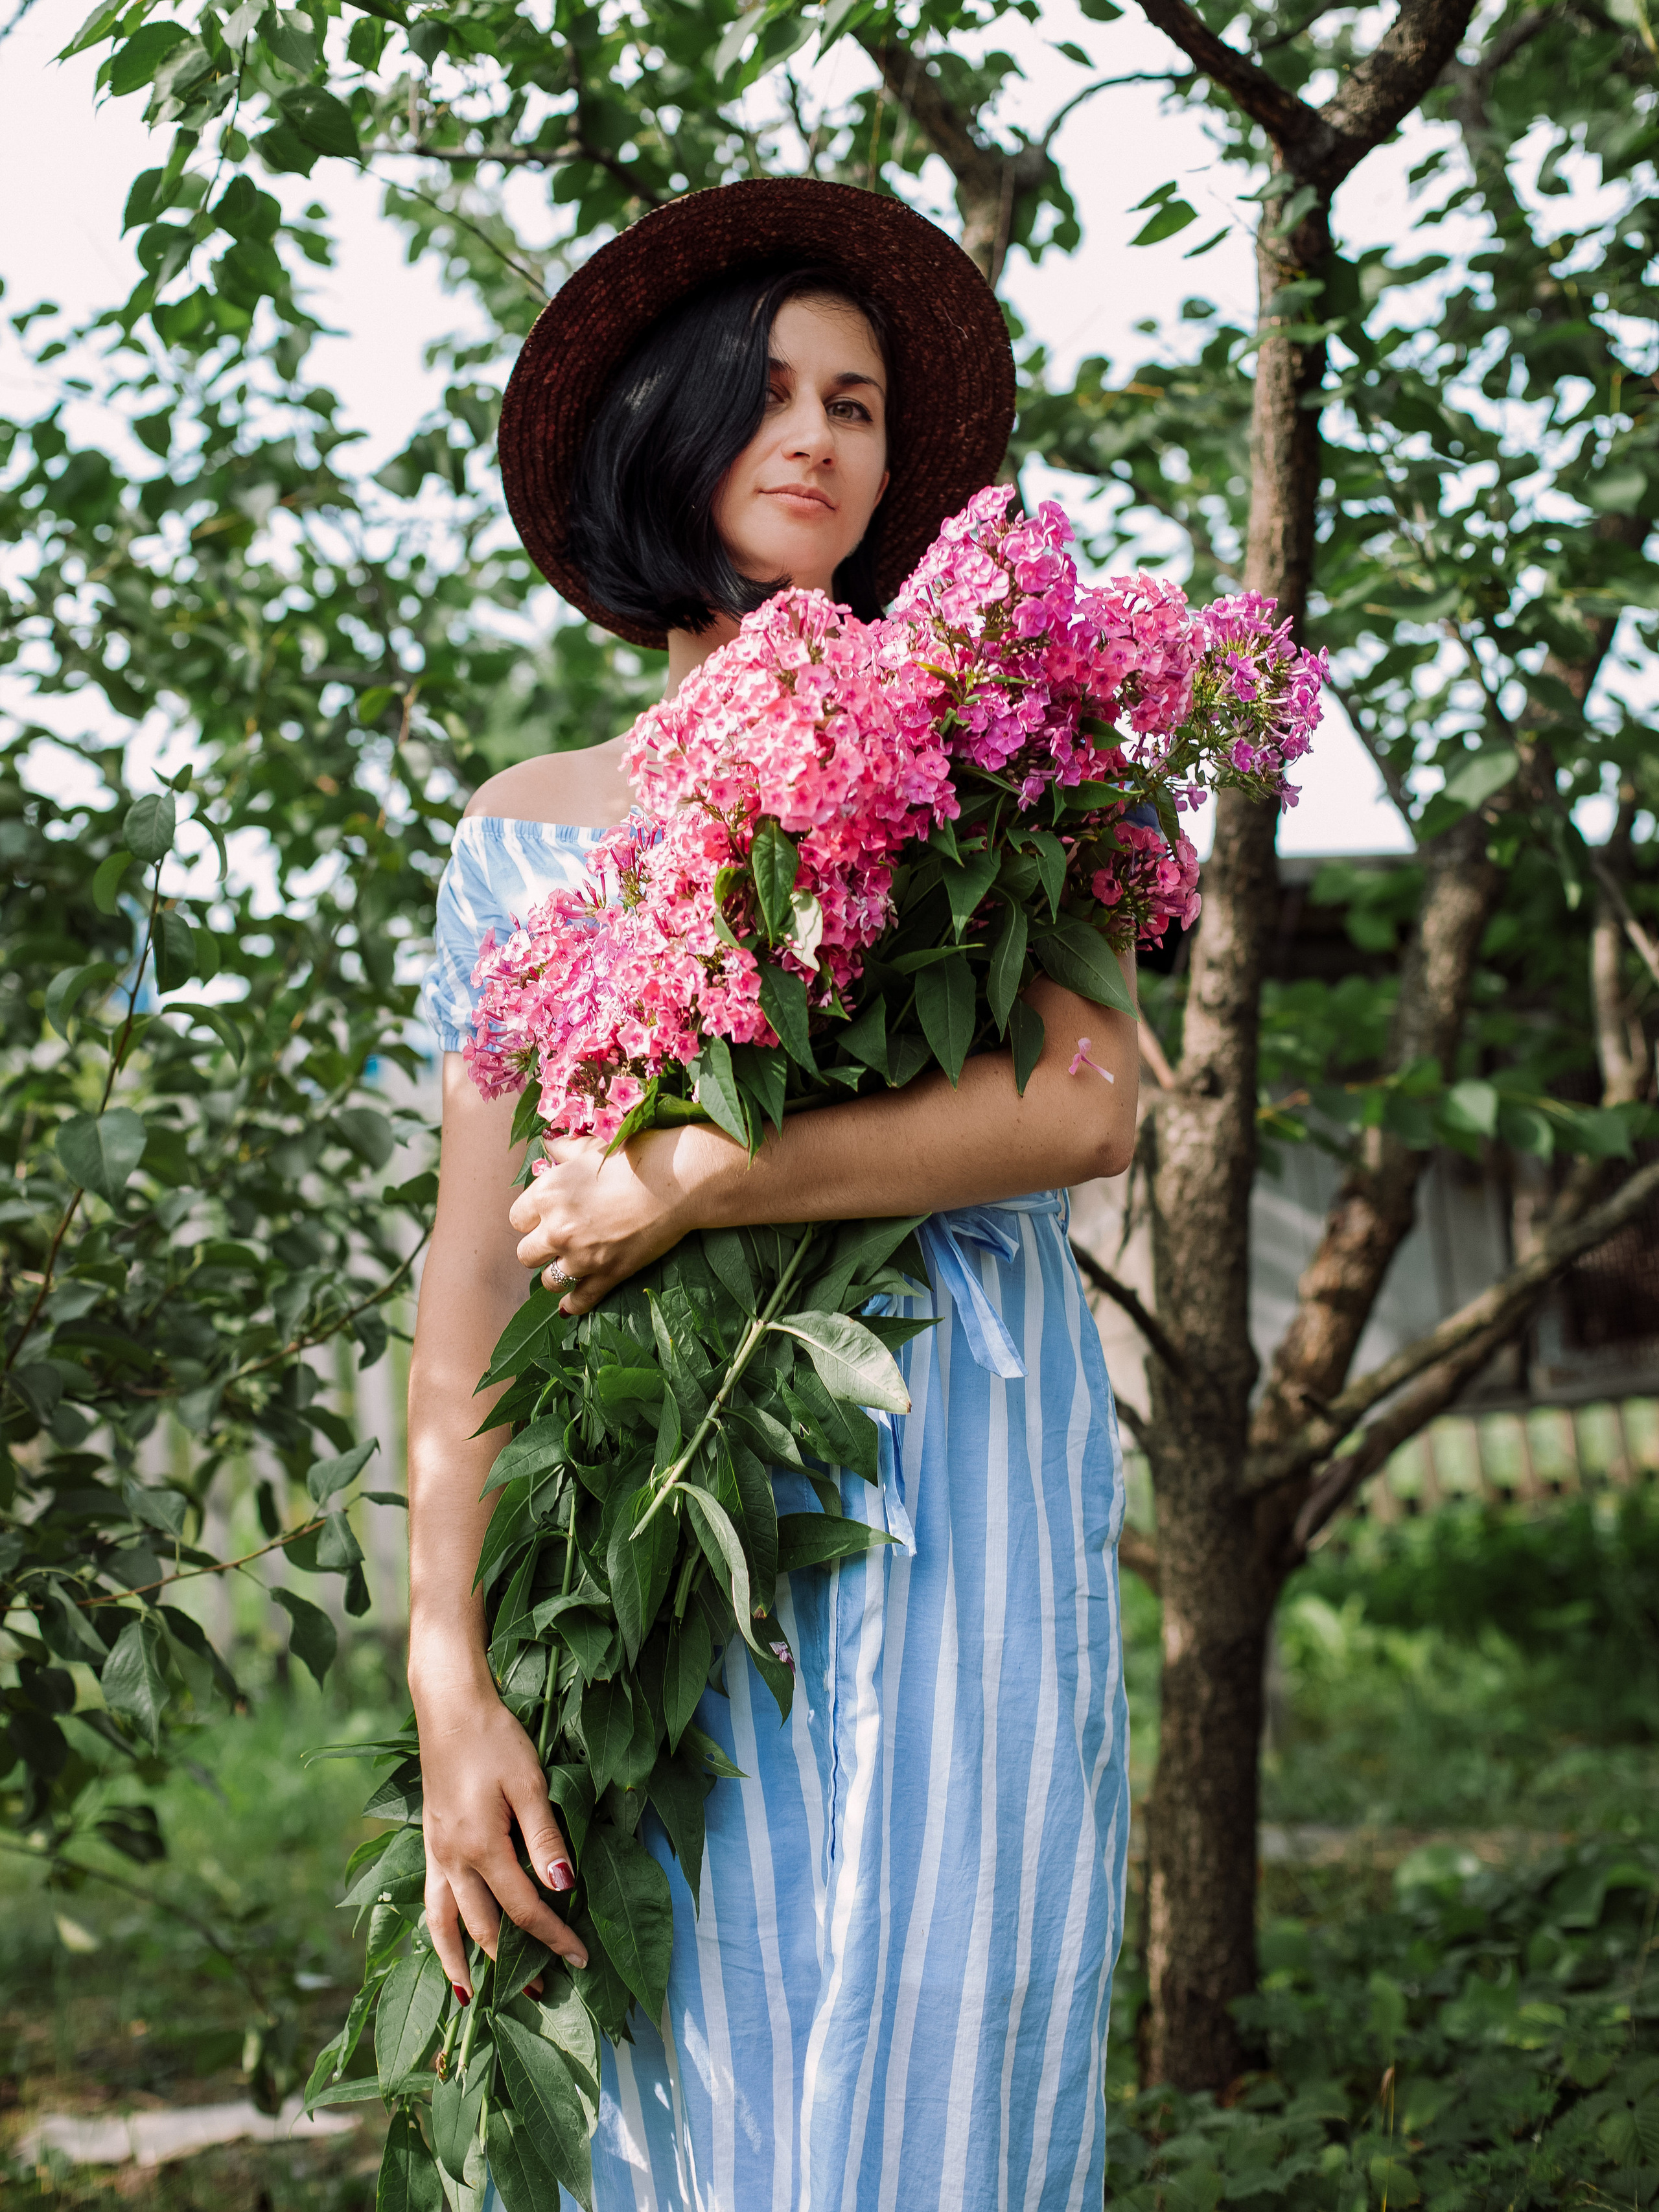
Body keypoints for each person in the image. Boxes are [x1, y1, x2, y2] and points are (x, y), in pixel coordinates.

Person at [410, 176, 1136, 2212]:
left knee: (947, 2038)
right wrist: (445, 1667)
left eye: (861, 404)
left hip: (954, 1485)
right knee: (669, 2050)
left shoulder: (990, 752)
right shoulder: (521, 836)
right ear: (671, 419)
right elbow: (468, 1273)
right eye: (773, 391)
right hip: (643, 1506)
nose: (821, 435)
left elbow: (1092, 1106)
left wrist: (707, 1176)